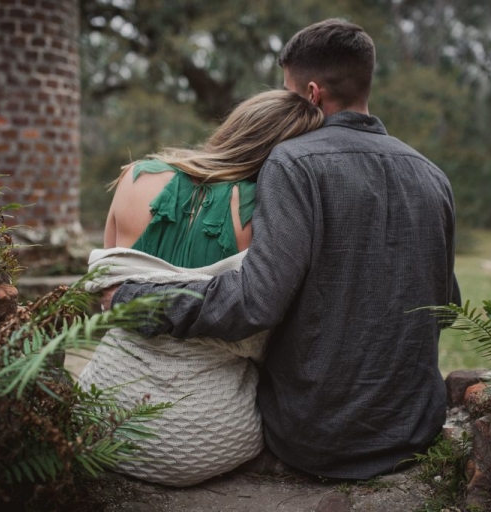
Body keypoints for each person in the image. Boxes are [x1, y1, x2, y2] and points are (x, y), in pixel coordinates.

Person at [107, 19, 461, 480]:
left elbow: (255, 303)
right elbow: (448, 307)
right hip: (414, 430)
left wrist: (129, 298)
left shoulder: (293, 163)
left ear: (311, 93)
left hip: (314, 438)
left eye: (288, 90)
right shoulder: (433, 176)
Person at [79, 89, 324, 487]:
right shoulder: (267, 215)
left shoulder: (135, 177)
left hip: (105, 417)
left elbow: (107, 290)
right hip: (213, 437)